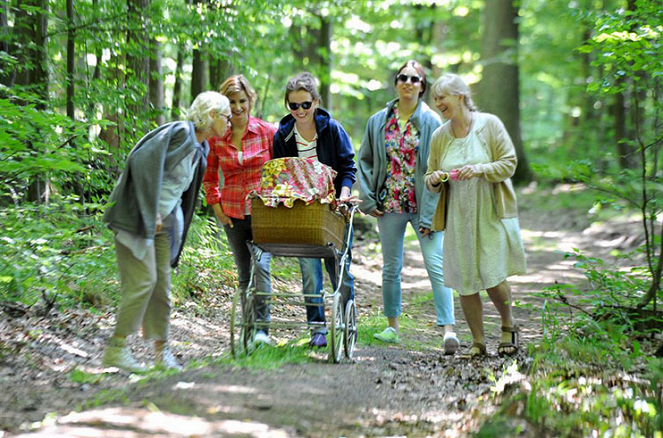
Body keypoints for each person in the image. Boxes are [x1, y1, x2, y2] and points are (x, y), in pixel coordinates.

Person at [102, 91, 231, 372]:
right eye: (226, 117)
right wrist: (152, 211)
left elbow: (182, 195)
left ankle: (162, 353)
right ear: (211, 115)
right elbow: (141, 162)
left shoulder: (201, 149)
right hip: (137, 217)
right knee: (142, 282)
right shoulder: (179, 133)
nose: (229, 123)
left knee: (162, 286)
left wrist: (168, 219)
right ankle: (117, 349)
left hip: (163, 226)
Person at [357, 60, 458, 354]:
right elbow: (365, 161)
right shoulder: (378, 121)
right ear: (396, 83)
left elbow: (440, 169)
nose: (408, 82)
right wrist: (368, 199)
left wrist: (430, 213)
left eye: (415, 79)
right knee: (391, 267)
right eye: (403, 77)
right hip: (388, 204)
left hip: (423, 204)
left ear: (422, 86)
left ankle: (448, 330)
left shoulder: (431, 122)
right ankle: (392, 326)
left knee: (436, 265)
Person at [424, 73, 526, 357]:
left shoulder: (489, 125)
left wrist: (480, 169)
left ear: (460, 96)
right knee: (465, 279)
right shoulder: (439, 136)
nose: (438, 103)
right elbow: (430, 175)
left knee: (492, 275)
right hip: (458, 216)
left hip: (490, 211)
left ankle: (509, 325)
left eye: (442, 97)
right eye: (435, 99)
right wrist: (434, 180)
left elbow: (509, 163)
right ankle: (478, 341)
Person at [273, 72, 358, 348]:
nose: (300, 111)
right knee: (310, 272)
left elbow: (348, 168)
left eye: (305, 105)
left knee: (340, 269)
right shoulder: (283, 136)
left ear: (316, 102)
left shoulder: (331, 129)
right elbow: (279, 174)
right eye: (293, 106)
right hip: (303, 213)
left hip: (334, 209)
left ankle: (347, 321)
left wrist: (344, 195)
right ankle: (317, 329)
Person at [203, 75, 276, 346]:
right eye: (232, 102)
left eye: (242, 101)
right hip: (233, 215)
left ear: (250, 100)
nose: (237, 107)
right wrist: (218, 210)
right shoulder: (217, 138)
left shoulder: (268, 132)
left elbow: (282, 170)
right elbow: (209, 178)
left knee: (263, 268)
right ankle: (247, 331)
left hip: (264, 213)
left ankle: (262, 331)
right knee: (244, 275)